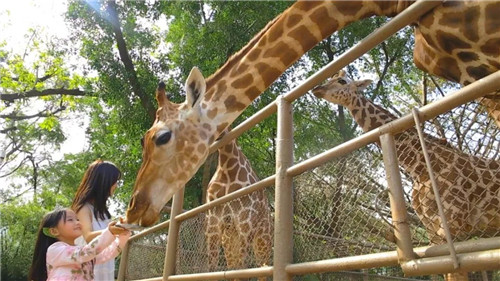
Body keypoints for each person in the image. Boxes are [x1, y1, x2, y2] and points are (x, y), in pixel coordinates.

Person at [28, 207, 130, 281]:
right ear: (54, 231)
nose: (77, 222)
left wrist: (123, 235)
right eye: (70, 219)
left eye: (77, 219)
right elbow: (86, 252)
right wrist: (109, 232)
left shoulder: (81, 252)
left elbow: (107, 254)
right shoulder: (55, 250)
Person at [71, 159, 123, 281]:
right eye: (114, 181)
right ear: (104, 182)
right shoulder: (84, 208)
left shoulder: (104, 213)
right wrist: (112, 230)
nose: (116, 185)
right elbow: (88, 236)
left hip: (104, 265)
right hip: (88, 269)